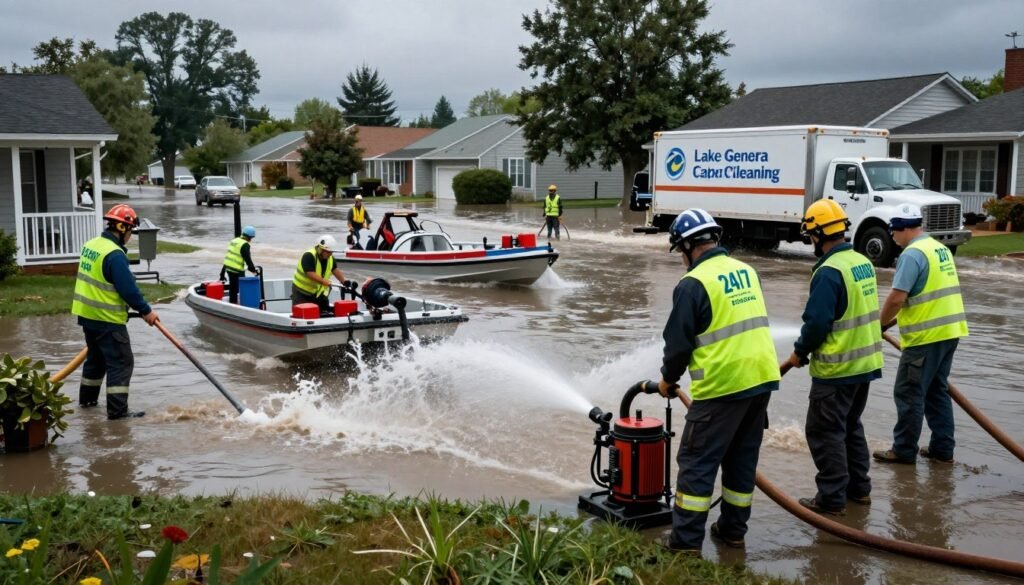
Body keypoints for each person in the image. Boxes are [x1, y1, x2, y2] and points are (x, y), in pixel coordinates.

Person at [658, 208, 780, 554]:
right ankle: (732, 532)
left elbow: (678, 345)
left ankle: (684, 544)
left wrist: (668, 380)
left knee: (697, 463)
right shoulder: (747, 271)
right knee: (741, 461)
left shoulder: (692, 284)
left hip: (722, 386)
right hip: (760, 381)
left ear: (686, 246)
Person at [784, 199, 882, 515]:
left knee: (824, 432)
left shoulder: (828, 272)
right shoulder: (860, 261)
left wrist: (799, 353)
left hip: (838, 369)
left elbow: (817, 323)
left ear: (816, 234)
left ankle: (831, 499)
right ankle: (859, 491)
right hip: (864, 366)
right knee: (850, 427)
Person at [873, 204, 968, 465]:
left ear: (904, 229)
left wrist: (878, 325)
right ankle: (942, 449)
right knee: (936, 391)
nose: (893, 238)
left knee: (908, 392)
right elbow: (924, 294)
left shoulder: (912, 254)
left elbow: (897, 298)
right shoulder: (939, 249)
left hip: (926, 337)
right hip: (950, 332)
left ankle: (903, 450)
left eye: (893, 232)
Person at [71, 203, 160, 420]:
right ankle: (118, 414)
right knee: (121, 362)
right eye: (131, 231)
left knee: (96, 361)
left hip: (87, 317)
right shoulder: (115, 255)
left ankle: (87, 403)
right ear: (123, 229)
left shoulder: (91, 245)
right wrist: (146, 311)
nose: (131, 236)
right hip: (107, 320)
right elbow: (128, 289)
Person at [291, 234, 346, 314]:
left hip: (318, 292)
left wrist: (344, 281)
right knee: (301, 314)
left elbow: (335, 270)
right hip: (302, 292)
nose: (330, 254)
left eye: (331, 252)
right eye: (328, 252)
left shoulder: (330, 258)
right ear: (321, 249)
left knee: (324, 313)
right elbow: (310, 273)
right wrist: (324, 281)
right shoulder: (309, 256)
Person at [220, 225, 259, 304]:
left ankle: (232, 303)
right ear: (249, 237)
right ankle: (235, 305)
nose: (251, 240)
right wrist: (254, 271)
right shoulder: (245, 245)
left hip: (228, 267)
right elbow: (248, 260)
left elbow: (228, 256)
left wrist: (222, 273)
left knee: (233, 288)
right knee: (239, 289)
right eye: (251, 238)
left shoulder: (234, 240)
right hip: (236, 269)